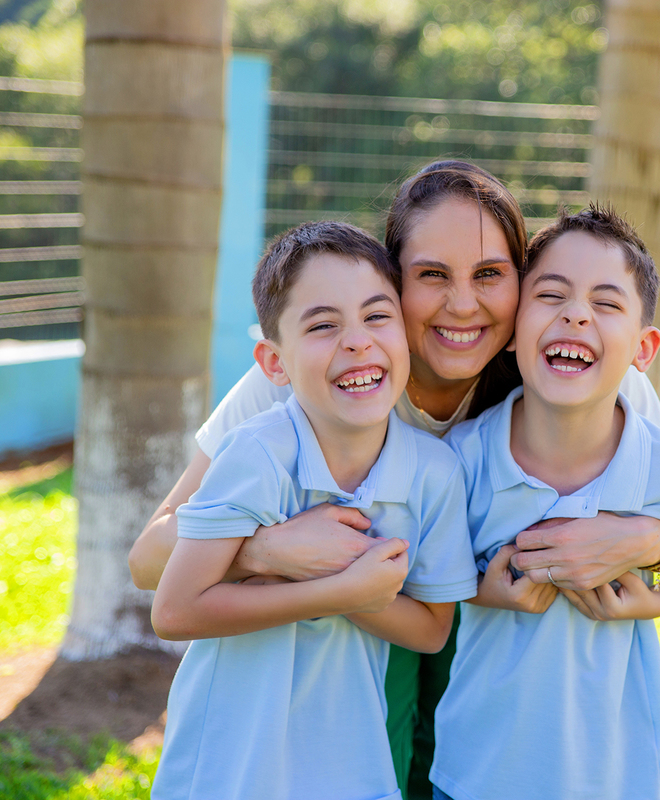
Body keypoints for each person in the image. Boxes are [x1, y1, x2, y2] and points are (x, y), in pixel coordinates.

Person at [128, 160, 660, 798]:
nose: (463, 303)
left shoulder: (575, 375)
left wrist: (656, 541)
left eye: (490, 275)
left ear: (521, 283)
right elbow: (151, 560)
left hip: (499, 635)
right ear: (391, 278)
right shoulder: (299, 388)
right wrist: (268, 548)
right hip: (373, 617)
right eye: (432, 276)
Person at [430, 206, 660, 800]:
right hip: (477, 775)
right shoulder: (462, 460)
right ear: (512, 329)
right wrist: (489, 589)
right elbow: (417, 570)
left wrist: (652, 600)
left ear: (644, 348)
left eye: (607, 302)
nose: (576, 313)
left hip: (617, 777)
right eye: (552, 294)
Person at [149, 221, 478, 800]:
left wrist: (352, 590)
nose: (357, 341)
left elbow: (430, 631)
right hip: (230, 763)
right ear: (273, 363)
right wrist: (339, 589)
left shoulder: (435, 473)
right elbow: (175, 611)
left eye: (378, 317)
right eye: (324, 325)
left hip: (350, 764)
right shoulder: (255, 452)